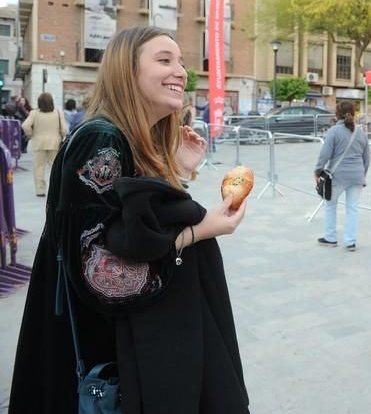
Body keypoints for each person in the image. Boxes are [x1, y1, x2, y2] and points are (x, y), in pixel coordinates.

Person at [10, 26, 249, 413]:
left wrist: (179, 172)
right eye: (164, 60)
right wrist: (201, 230)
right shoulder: (100, 139)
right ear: (127, 70)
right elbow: (105, 275)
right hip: (104, 355)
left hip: (126, 346)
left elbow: (136, 225)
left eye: (182, 63)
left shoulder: (128, 138)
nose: (181, 71)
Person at [315, 100, 370, 252]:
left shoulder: (334, 131)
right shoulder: (361, 132)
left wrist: (318, 171)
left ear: (337, 114)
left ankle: (330, 238)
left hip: (337, 176)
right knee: (352, 209)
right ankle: (350, 241)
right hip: (357, 176)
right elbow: (367, 158)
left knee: (330, 206)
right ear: (353, 113)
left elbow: (324, 154)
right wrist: (362, 175)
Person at [21, 92, 68, 197]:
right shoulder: (58, 112)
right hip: (54, 142)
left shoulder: (34, 113)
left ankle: (40, 190)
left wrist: (31, 134)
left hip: (38, 143)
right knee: (55, 167)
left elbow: (25, 125)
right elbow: (65, 129)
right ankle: (56, 189)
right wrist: (60, 135)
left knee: (38, 167)